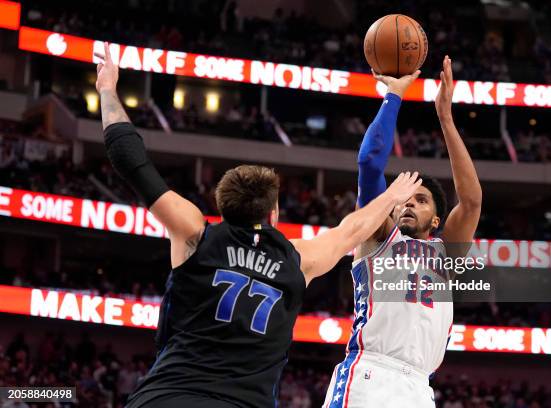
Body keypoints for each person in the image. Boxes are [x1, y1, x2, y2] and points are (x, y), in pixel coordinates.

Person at [94, 42, 423, 408]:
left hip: (169, 396)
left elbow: (129, 159)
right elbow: (353, 228)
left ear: (222, 206)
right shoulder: (297, 258)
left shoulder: (196, 234)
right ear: (274, 214)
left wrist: (107, 89)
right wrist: (392, 195)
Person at [324, 56, 482, 407]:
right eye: (404, 199)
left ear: (437, 220)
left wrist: (446, 118)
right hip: (370, 375)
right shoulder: (379, 236)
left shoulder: (447, 254)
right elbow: (368, 163)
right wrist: (393, 96)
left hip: (419, 388)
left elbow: (471, 201)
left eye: (421, 200)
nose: (409, 204)